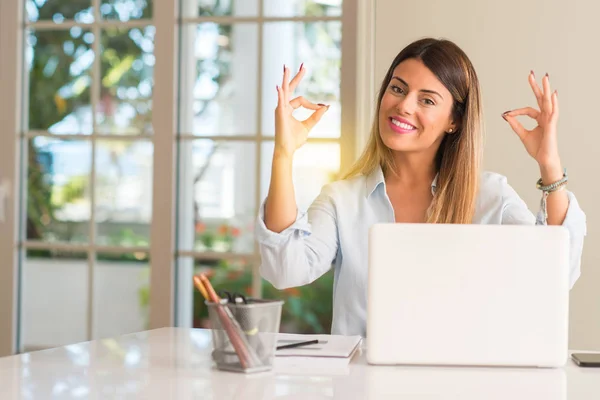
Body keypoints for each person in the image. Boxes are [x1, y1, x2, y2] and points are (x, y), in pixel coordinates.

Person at [255, 38, 587, 337]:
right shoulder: (343, 199)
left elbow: (553, 276)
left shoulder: (490, 197)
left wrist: (550, 165)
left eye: (427, 100)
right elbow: (286, 269)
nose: (404, 105)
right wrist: (283, 154)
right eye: (398, 89)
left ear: (454, 120)